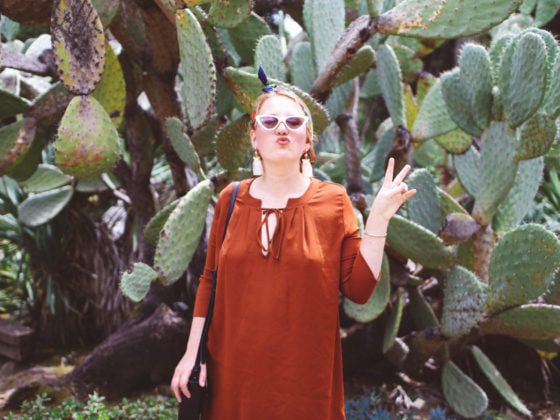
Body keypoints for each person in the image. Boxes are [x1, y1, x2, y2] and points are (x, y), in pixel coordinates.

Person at [170, 80, 416, 419]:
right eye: (269, 122)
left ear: (307, 139)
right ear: (254, 137)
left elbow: (359, 290)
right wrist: (191, 353)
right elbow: (209, 280)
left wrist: (378, 220)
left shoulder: (333, 202)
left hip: (302, 381)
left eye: (294, 122)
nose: (282, 129)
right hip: (232, 374)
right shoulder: (231, 198)